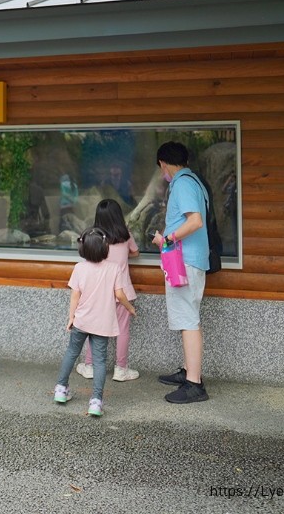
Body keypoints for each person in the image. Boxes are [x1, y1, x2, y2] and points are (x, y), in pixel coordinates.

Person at [53, 226, 137, 417]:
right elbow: (120, 294)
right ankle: (96, 402)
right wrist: (130, 308)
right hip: (102, 324)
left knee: (72, 353)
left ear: (82, 248)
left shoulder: (79, 268)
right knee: (99, 361)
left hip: (82, 321)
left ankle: (60, 389)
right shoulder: (113, 269)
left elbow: (75, 296)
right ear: (105, 247)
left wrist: (71, 317)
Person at [152, 140, 210, 404]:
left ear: (163, 163)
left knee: (188, 321)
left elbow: (195, 221)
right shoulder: (192, 181)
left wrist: (167, 239)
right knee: (188, 318)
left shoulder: (184, 184)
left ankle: (194, 384)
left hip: (184, 260)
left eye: (161, 167)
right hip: (187, 260)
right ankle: (189, 371)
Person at [77, 198, 140, 381]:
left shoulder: (95, 237)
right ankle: (121, 369)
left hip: (100, 291)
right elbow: (135, 252)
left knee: (94, 328)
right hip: (123, 291)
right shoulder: (125, 235)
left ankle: (89, 366)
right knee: (123, 329)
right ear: (119, 216)